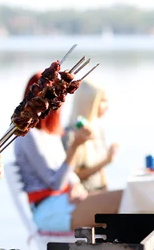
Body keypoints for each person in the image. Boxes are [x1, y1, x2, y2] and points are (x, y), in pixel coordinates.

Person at [14, 73, 123, 232]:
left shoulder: (51, 134)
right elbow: (55, 183)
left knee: (128, 200)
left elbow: (67, 175)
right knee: (123, 199)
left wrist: (76, 185)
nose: (60, 102)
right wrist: (75, 147)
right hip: (48, 210)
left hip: (64, 201)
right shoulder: (28, 135)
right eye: (55, 97)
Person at [63, 79, 119, 192]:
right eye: (102, 101)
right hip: (82, 197)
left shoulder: (98, 130)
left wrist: (107, 193)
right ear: (89, 102)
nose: (107, 106)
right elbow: (71, 177)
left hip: (99, 195)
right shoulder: (69, 134)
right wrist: (106, 161)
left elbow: (102, 174)